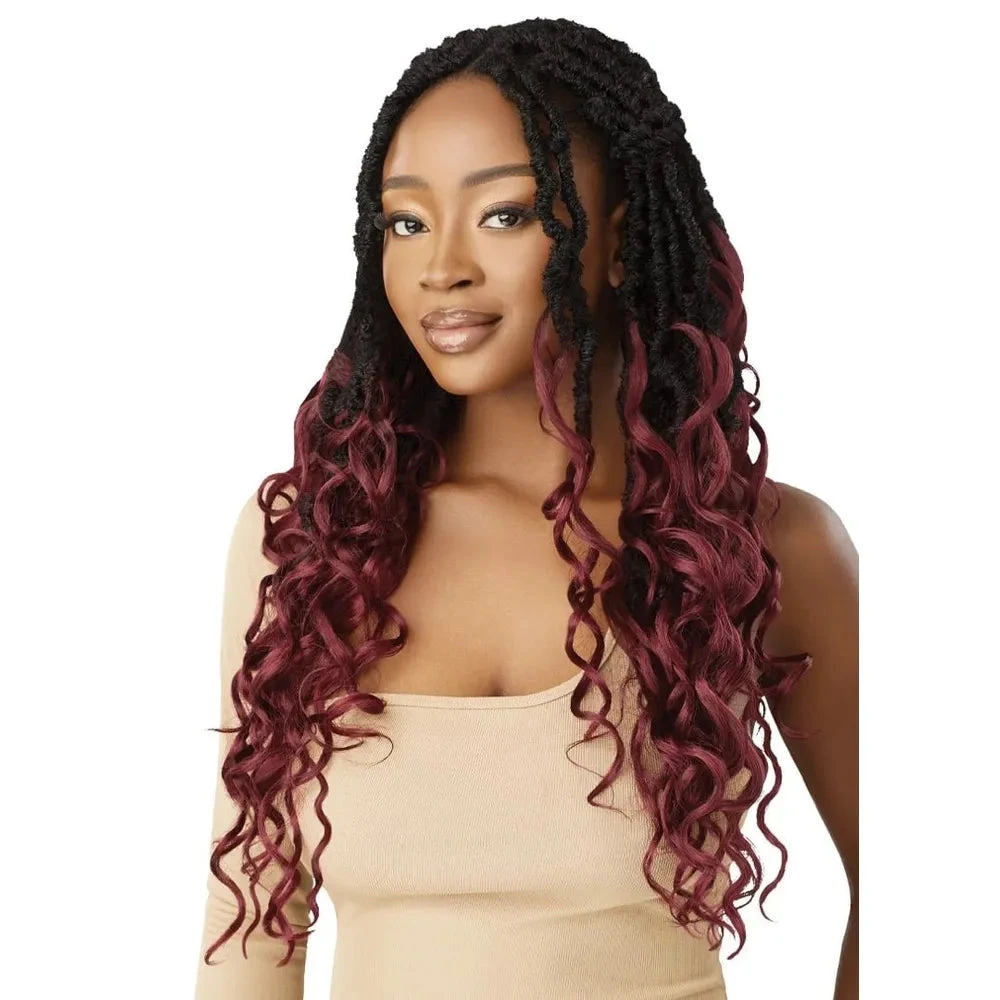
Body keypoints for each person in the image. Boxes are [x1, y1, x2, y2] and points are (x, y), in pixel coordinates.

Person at [194, 16, 859, 1000]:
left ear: (619, 241)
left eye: (503, 215)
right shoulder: (307, 536)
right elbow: (251, 926)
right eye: (405, 222)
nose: (441, 267)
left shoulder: (760, 545)